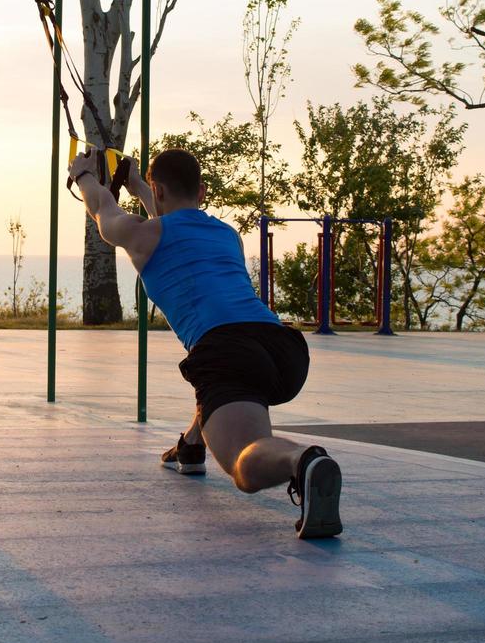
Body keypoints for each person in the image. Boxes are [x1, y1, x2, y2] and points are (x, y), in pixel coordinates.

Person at [68, 146, 343, 539]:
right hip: (284, 349)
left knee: (243, 466)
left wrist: (84, 176)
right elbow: (175, 224)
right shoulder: (227, 235)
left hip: (228, 350)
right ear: (202, 190)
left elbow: (102, 211)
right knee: (222, 392)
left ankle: (302, 460)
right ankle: (192, 446)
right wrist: (140, 186)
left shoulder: (142, 235)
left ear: (158, 191)